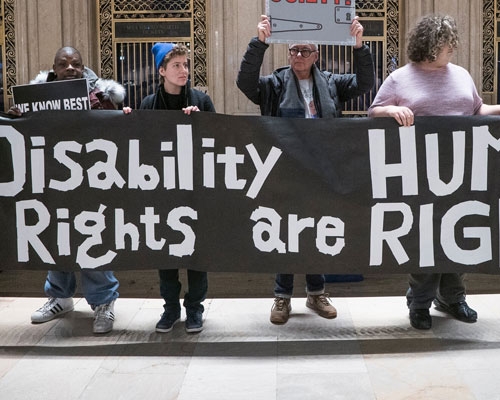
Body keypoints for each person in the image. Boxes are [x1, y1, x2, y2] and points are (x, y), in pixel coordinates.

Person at [237, 15, 375, 324]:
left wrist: (359, 47)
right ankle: (282, 297)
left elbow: (365, 84)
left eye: (305, 51)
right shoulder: (274, 84)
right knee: (286, 231)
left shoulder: (331, 83)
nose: (298, 55)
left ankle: (316, 293)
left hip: (321, 169)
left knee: (316, 229)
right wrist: (258, 43)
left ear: (316, 55)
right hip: (285, 171)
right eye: (294, 50)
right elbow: (244, 83)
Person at [367, 14, 500, 329]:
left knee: (458, 235)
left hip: (463, 171)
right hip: (420, 174)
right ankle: (420, 303)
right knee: (424, 239)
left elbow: (476, 110)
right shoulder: (401, 78)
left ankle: (453, 298)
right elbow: (373, 111)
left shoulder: (461, 75)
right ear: (430, 46)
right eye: (447, 45)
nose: (452, 50)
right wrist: (390, 109)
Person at [9, 46, 125, 334]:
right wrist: (17, 119)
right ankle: (60, 297)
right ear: (54, 69)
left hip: (89, 183)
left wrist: (117, 114)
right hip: (51, 182)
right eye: (64, 64)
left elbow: (116, 134)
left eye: (76, 64)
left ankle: (103, 302)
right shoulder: (35, 100)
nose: (71, 68)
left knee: (92, 238)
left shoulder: (99, 97)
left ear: (84, 69)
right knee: (55, 237)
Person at [132, 42, 215, 334]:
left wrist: (200, 123)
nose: (184, 71)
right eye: (177, 65)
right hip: (162, 191)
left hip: (195, 191)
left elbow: (217, 142)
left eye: (186, 64)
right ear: (162, 71)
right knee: (165, 253)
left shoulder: (202, 101)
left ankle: (195, 309)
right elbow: (140, 146)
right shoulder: (147, 105)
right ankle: (170, 309)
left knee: (197, 253)